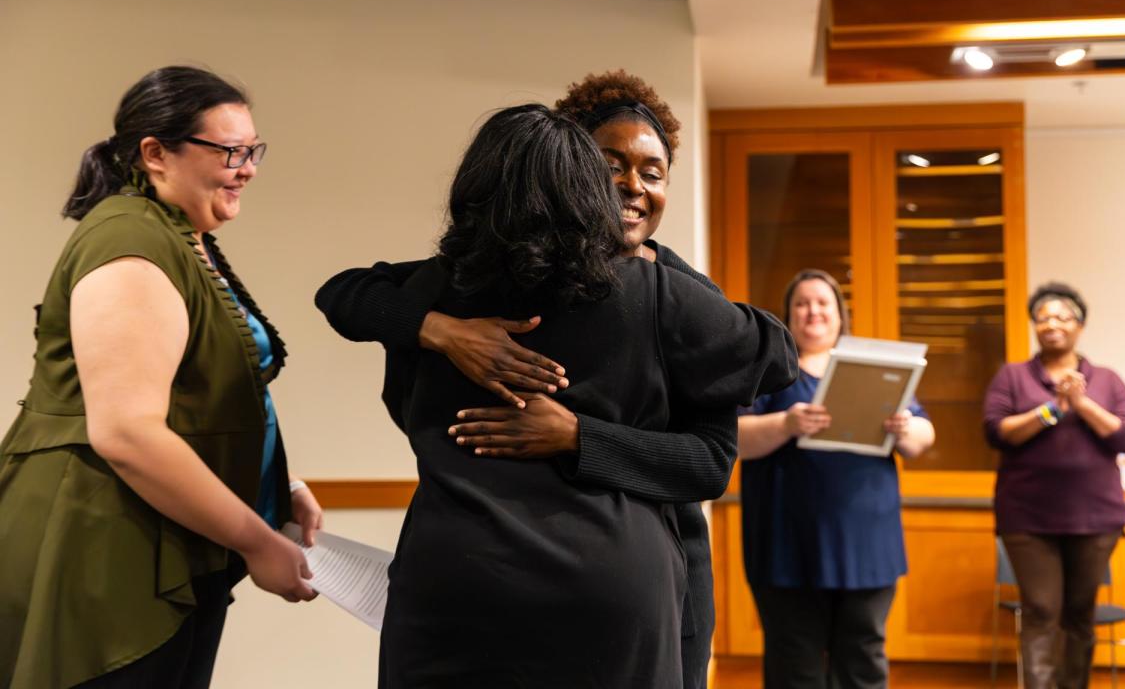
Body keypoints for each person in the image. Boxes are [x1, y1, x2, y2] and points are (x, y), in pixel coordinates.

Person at [317, 104, 797, 688]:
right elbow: (777, 353)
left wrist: (441, 330)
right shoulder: (655, 295)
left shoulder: (431, 291)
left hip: (452, 577)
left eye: (652, 172)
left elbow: (343, 298)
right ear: (580, 179)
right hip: (607, 584)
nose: (629, 188)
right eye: (609, 167)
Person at [0, 66, 322, 689]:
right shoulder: (130, 242)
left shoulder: (180, 234)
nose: (247, 167)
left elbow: (193, 399)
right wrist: (257, 541)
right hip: (102, 544)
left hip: (159, 535)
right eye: (229, 150)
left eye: (252, 150)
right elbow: (127, 432)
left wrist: (280, 481)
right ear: (155, 153)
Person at [736, 269, 935, 689]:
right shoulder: (767, 369)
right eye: (802, 304)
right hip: (786, 544)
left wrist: (904, 427)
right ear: (788, 316)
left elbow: (921, 439)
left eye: (823, 303)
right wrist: (787, 424)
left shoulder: (874, 369)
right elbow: (733, 441)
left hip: (866, 542)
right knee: (795, 663)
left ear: (840, 316)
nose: (813, 312)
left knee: (863, 657)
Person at [984, 282, 1125, 689]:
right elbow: (998, 432)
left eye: (1062, 316)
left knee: (1079, 615)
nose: (1051, 324)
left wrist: (1082, 403)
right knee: (1039, 610)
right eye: (1043, 317)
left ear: (1080, 325)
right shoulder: (1013, 377)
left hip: (1095, 519)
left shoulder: (1107, 380)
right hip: (1027, 519)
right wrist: (1054, 408)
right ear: (1034, 326)